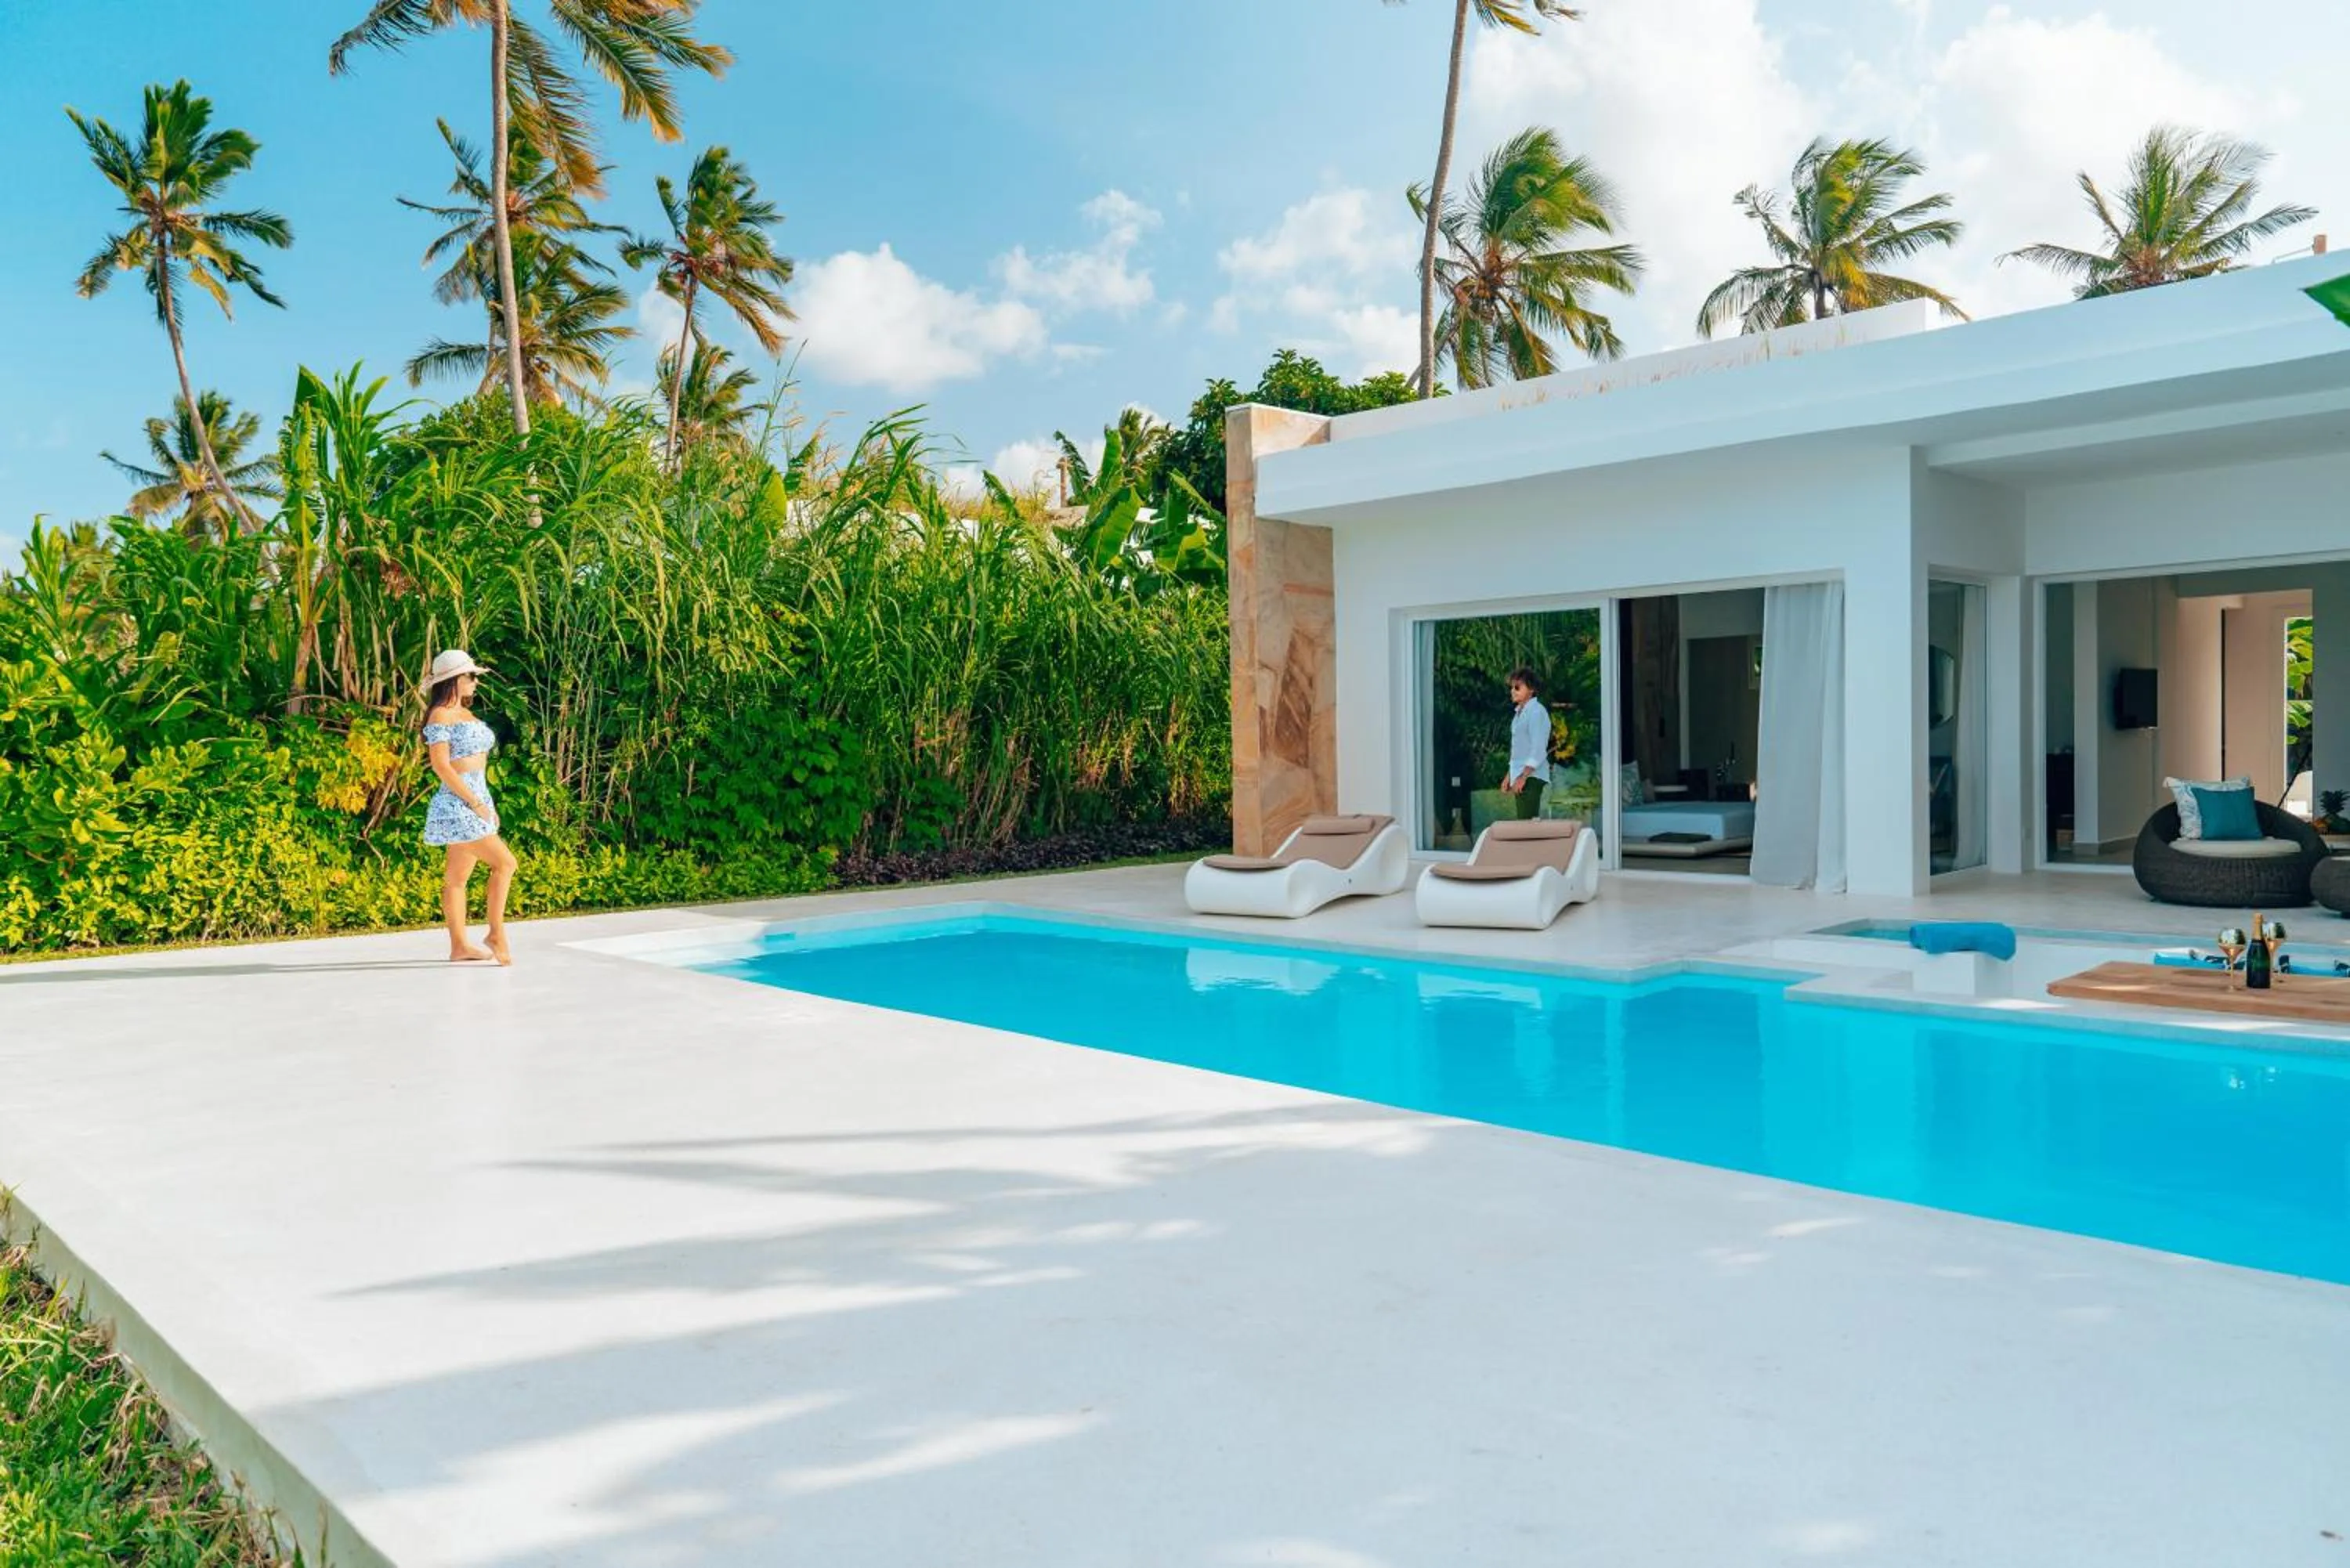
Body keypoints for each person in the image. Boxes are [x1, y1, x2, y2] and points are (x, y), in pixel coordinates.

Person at [421, 649, 518, 965]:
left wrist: (485, 804)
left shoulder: (464, 713)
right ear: (453, 680)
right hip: (457, 803)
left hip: (476, 798)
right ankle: (496, 933)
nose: (476, 682)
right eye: (471, 676)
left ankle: (459, 946)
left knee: (456, 879)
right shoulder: (441, 715)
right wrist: (475, 803)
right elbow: (441, 766)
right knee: (505, 864)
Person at [1502, 667, 1551, 821]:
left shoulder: (1537, 712)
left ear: (1531, 690)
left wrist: (1523, 777)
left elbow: (1538, 748)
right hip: (1521, 776)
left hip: (1531, 776)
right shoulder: (1518, 714)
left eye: (1517, 687)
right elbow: (1519, 750)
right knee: (1525, 823)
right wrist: (1509, 775)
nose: (1513, 691)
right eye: (1512, 687)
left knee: (1527, 824)